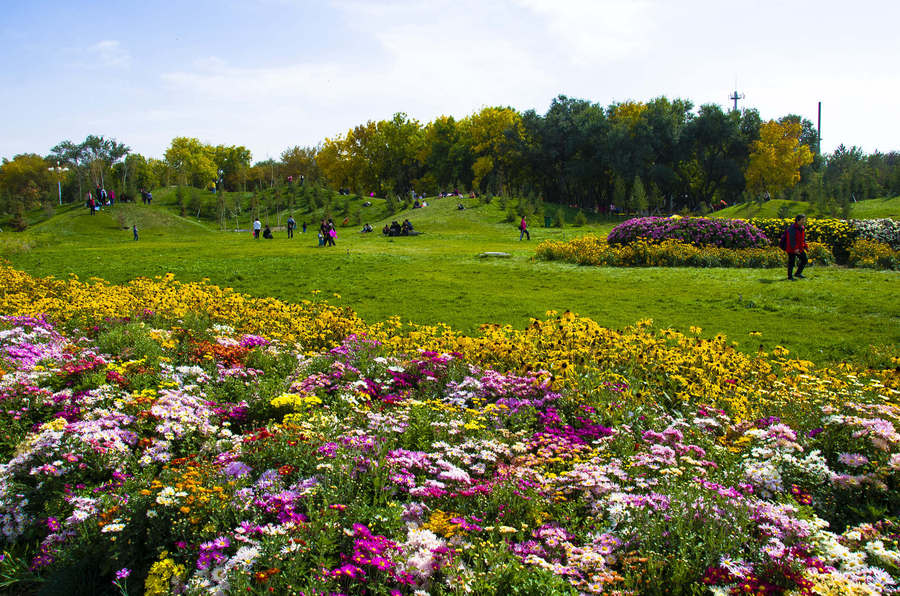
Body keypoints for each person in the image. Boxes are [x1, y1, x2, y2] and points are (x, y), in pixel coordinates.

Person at [783, 214, 808, 281]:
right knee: (791, 262)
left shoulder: (802, 227)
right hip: (792, 248)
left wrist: (805, 246)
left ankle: (798, 273)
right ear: (798, 220)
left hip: (799, 248)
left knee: (804, 259)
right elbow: (792, 239)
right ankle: (790, 277)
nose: (804, 221)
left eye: (804, 220)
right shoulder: (792, 228)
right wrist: (795, 248)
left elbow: (803, 238)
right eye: (802, 220)